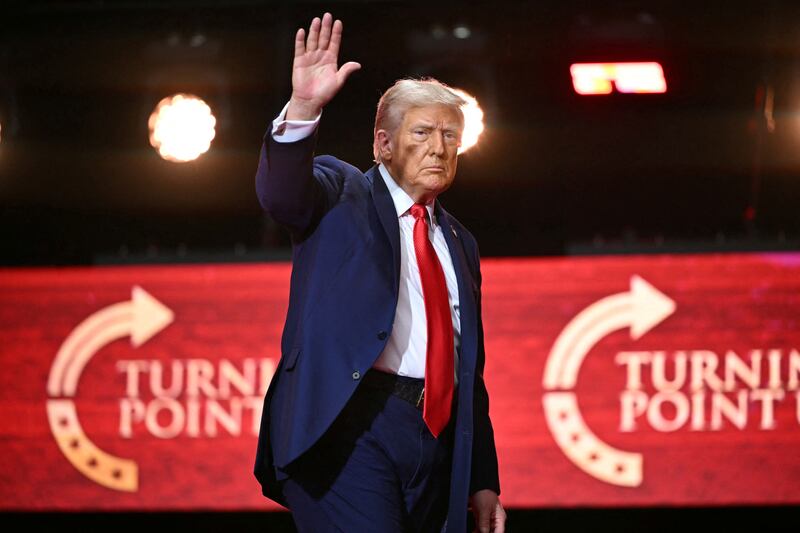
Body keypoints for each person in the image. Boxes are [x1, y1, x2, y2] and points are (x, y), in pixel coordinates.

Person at [253, 12, 505, 533]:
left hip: (433, 442)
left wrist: (482, 479)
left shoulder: (460, 242)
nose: (439, 148)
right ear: (384, 144)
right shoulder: (340, 193)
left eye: (450, 136)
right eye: (422, 132)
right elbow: (280, 195)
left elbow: (468, 373)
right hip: (347, 427)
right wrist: (303, 107)